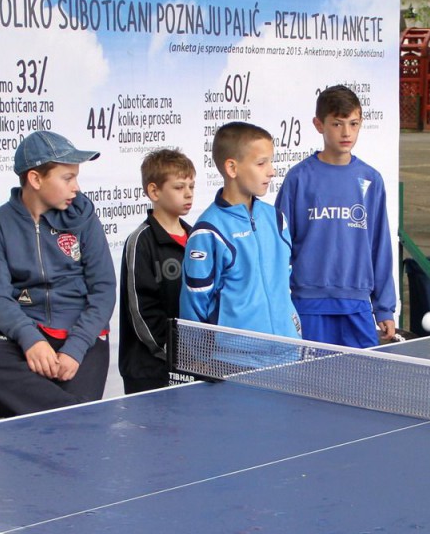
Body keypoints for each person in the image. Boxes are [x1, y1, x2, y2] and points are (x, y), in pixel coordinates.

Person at [0, 130, 116, 418]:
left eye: (76, 177)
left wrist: (75, 348)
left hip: (80, 334)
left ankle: (72, 416)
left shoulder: (86, 219)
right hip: (25, 332)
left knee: (60, 410)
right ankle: (79, 417)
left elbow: (103, 290)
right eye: (67, 178)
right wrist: (32, 341)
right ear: (35, 179)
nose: (76, 187)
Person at [276, 85, 396, 347]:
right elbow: (279, 247)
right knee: (309, 374)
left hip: (357, 305)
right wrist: (278, 304)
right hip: (308, 304)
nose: (346, 133)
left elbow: (380, 247)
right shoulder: (298, 179)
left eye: (353, 124)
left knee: (362, 373)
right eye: (337, 124)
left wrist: (384, 306)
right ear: (319, 125)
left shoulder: (371, 179)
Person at [180, 122, 302, 338]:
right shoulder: (208, 231)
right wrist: (198, 353)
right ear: (232, 168)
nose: (272, 171)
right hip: (233, 355)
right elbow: (194, 306)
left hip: (288, 350)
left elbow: (285, 284)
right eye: (261, 163)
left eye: (271, 162)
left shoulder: (276, 219)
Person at [119, 148, 195, 394]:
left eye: (191, 186)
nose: (188, 193)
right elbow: (142, 312)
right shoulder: (140, 241)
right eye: (179, 187)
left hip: (194, 365)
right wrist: (175, 355)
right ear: (154, 191)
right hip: (151, 372)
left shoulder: (197, 238)